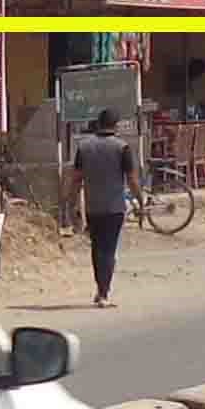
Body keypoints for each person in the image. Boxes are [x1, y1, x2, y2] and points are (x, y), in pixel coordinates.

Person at [70, 108, 139, 307]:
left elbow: (76, 179)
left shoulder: (84, 147)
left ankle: (100, 288)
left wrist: (70, 201)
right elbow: (132, 180)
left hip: (93, 206)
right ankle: (103, 293)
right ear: (116, 125)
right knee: (109, 250)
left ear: (99, 124)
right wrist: (140, 199)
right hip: (115, 207)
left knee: (97, 248)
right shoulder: (122, 147)